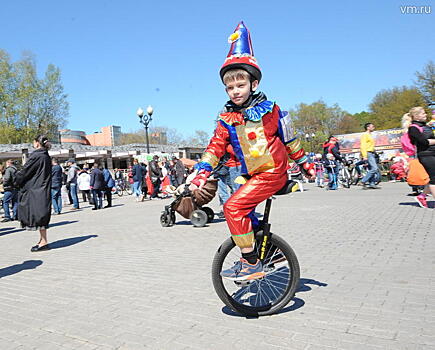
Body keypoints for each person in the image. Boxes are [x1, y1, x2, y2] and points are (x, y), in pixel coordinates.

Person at [189, 22, 313, 281]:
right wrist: (201, 171)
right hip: (251, 174)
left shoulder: (272, 111)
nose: (235, 91)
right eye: (230, 87)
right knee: (239, 207)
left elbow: (291, 141)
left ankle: (251, 264)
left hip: (272, 172)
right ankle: (272, 253)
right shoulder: (227, 118)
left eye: (240, 85)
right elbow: (215, 147)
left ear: (253, 83)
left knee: (233, 208)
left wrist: (306, 165)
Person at [15, 135, 52, 252]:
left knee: (38, 214)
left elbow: (25, 171)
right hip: (42, 188)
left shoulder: (37, 156)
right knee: (41, 215)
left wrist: (15, 180)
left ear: (37, 143)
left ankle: (44, 242)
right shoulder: (46, 156)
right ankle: (43, 240)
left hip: (36, 189)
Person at [403, 107, 435, 208]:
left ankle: (422, 196)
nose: (425, 115)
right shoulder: (413, 128)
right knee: (434, 179)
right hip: (426, 155)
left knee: (433, 178)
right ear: (416, 116)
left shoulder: (424, 126)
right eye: (423, 113)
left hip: (432, 153)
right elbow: (424, 142)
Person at [360, 123, 380, 189]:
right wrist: (364, 155)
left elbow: (370, 145)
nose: (374, 127)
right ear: (368, 127)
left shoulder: (370, 135)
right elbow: (363, 146)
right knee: (375, 168)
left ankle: (372, 183)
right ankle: (363, 181)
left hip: (371, 153)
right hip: (368, 153)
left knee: (372, 168)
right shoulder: (365, 135)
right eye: (372, 126)